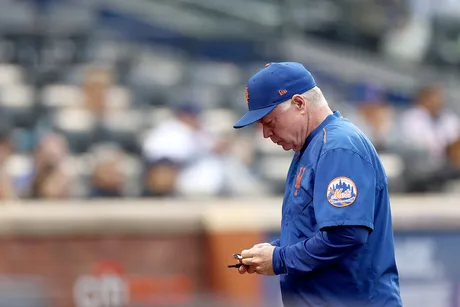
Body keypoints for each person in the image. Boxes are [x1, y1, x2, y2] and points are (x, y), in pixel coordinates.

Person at [233, 62, 402, 307]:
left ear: (300, 103)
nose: (266, 134)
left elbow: (346, 234)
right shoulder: (313, 146)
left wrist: (280, 258)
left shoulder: (338, 146)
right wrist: (270, 252)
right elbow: (317, 230)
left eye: (269, 121)